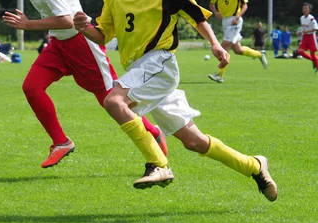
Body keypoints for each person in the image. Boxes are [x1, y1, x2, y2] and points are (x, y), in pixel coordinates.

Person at [73, 0, 277, 201]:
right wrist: (84, 28)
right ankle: (254, 165)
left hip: (158, 62)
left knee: (114, 102)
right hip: (142, 70)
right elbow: (102, 35)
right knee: (193, 141)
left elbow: (195, 16)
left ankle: (158, 165)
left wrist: (215, 43)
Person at [2, 0, 167, 168]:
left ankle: (153, 134)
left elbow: (67, 21)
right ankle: (61, 142)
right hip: (59, 44)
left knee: (111, 100)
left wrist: (28, 24)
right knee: (32, 87)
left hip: (82, 42)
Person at [207, 0, 268, 83]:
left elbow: (245, 5)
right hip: (225, 21)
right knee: (238, 50)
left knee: (224, 46)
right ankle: (260, 54)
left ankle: (220, 75)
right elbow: (211, 4)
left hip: (234, 20)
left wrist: (237, 17)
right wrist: (216, 12)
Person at [297, 3, 318, 71]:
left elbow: (316, 28)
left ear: (309, 10)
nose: (304, 10)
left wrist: (308, 31)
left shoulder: (311, 18)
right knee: (300, 52)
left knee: (312, 54)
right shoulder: (302, 18)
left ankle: (316, 65)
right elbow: (303, 28)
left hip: (311, 37)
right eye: (303, 8)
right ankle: (313, 60)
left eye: (306, 8)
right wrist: (300, 32)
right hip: (305, 37)